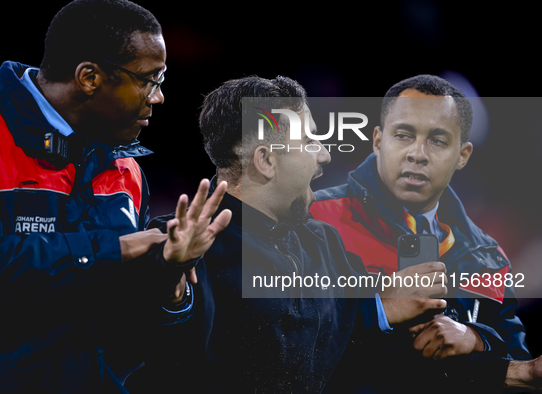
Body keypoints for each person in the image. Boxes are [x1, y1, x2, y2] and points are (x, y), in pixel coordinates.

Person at [0, 0, 230, 392]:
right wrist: (114, 248)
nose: (158, 97)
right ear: (89, 77)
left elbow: (130, 329)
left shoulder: (126, 169)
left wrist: (167, 271)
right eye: (151, 79)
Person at [142, 75, 458, 393]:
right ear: (266, 160)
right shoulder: (175, 245)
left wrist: (386, 307)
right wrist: (167, 278)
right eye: (308, 141)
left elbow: (350, 330)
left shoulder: (324, 243)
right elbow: (148, 336)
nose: (323, 155)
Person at [310, 74, 530, 393]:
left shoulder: (488, 258)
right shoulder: (314, 216)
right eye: (403, 135)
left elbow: (518, 368)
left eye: (438, 140)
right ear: (378, 140)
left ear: (463, 155)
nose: (418, 153)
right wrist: (380, 310)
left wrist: (476, 339)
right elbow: (275, 334)